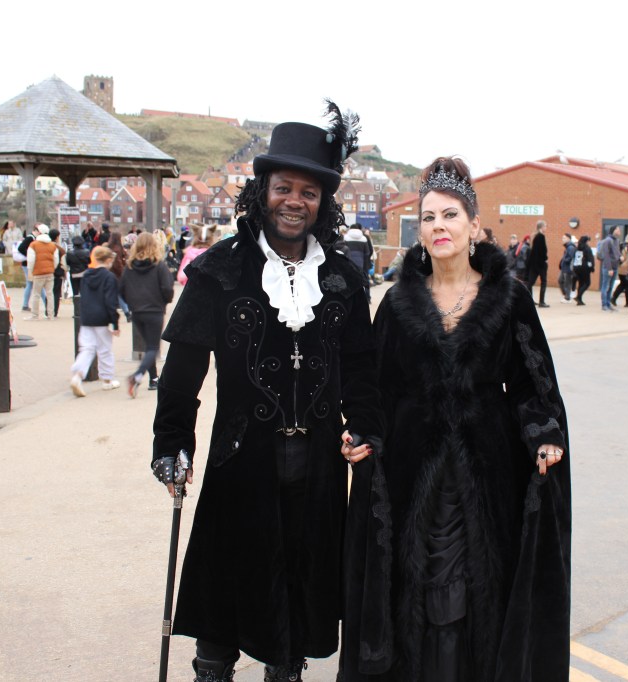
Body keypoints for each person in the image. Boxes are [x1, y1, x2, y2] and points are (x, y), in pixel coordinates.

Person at [149, 102, 384, 682]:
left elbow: (359, 367)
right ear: (263, 191)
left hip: (321, 472)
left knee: (300, 599)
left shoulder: (342, 280)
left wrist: (367, 426)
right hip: (241, 462)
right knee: (226, 600)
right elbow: (182, 369)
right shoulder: (219, 270)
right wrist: (172, 441)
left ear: (322, 201)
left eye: (308, 191)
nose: (295, 200)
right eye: (284, 188)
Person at [343, 156, 570, 681]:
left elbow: (535, 383)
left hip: (486, 471)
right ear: (418, 230)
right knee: (415, 590)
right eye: (427, 217)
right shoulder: (398, 302)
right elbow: (374, 388)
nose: (438, 226)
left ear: (473, 225)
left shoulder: (508, 298)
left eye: (449, 215)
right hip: (411, 467)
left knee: (471, 591)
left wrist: (543, 434)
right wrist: (361, 433)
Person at [119, 231, 175, 397]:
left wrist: (131, 303)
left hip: (137, 311)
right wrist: (165, 300)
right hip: (154, 309)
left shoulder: (129, 267)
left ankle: (153, 378)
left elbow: (121, 290)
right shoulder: (159, 266)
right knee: (153, 348)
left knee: (148, 346)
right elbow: (167, 288)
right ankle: (137, 376)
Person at [68, 246, 121, 396]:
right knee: (105, 350)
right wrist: (115, 322)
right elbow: (111, 302)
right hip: (102, 317)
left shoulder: (86, 275)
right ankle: (107, 380)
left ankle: (77, 376)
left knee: (87, 348)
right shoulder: (109, 277)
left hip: (86, 317)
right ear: (109, 260)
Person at [25, 224, 59, 320]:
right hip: (50, 272)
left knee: (36, 294)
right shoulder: (52, 245)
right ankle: (51, 315)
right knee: (50, 294)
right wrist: (52, 268)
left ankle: (35, 315)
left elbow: (31, 260)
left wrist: (31, 270)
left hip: (38, 272)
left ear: (39, 232)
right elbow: (56, 259)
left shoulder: (33, 244)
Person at [343, 222, 374, 298]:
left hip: (349, 263)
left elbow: (343, 250)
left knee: (349, 280)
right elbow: (368, 252)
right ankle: (367, 296)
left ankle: (350, 297)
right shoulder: (364, 238)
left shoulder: (346, 238)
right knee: (364, 280)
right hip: (362, 264)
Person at [524, 220, 550, 307]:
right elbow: (542, 251)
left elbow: (533, 252)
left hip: (534, 264)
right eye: (545, 226)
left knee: (530, 283)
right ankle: (542, 302)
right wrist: (545, 259)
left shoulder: (535, 236)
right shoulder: (541, 237)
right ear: (542, 227)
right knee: (543, 282)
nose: (546, 228)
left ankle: (529, 300)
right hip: (540, 264)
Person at [106, 231, 131, 321]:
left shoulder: (109, 248)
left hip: (111, 273)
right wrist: (123, 272)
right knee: (120, 294)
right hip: (117, 274)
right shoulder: (117, 249)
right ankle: (127, 312)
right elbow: (118, 263)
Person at [597, 226, 622, 311]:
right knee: (605, 286)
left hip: (615, 267)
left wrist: (620, 258)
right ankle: (604, 305)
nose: (620, 231)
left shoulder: (617, 241)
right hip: (608, 267)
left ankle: (608, 304)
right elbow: (606, 255)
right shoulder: (608, 240)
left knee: (611, 287)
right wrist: (609, 268)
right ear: (613, 230)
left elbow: (616, 253)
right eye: (618, 229)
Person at [611, 233, 628, 308]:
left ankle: (614, 299)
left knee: (623, 284)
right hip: (626, 269)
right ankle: (627, 302)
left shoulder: (620, 245)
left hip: (620, 268)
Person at [48, 227, 68, 317]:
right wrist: (65, 273)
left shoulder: (45, 247)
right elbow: (63, 263)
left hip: (47, 272)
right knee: (56, 293)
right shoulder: (61, 250)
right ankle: (54, 311)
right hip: (57, 273)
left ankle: (47, 310)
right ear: (57, 237)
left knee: (48, 292)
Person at [572, 234, 595, 305]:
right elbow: (590, 259)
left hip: (577, 267)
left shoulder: (577, 248)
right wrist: (592, 267)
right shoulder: (587, 248)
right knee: (587, 283)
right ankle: (578, 297)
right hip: (584, 268)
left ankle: (580, 300)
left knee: (581, 283)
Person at [558, 233, 576, 303]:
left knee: (567, 283)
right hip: (564, 268)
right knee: (560, 280)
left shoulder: (570, 247)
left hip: (568, 268)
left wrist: (565, 260)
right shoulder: (567, 247)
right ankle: (566, 295)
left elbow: (570, 257)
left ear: (568, 238)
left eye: (564, 238)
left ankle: (567, 297)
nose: (563, 239)